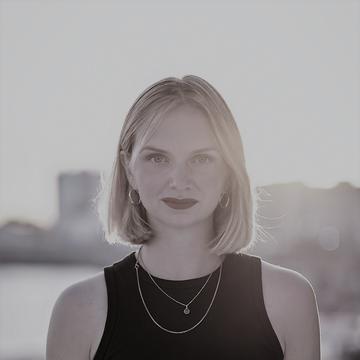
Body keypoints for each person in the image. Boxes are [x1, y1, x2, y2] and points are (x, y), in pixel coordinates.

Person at [46, 75, 321, 360]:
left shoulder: (289, 301)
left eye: (200, 159)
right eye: (157, 158)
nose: (179, 180)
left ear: (229, 171)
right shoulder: (78, 311)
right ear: (129, 169)